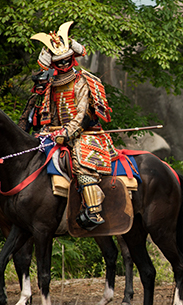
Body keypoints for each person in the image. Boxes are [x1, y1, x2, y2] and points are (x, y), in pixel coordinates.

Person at [30, 21, 116, 231]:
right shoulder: (49, 85)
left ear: (72, 57)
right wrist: (45, 131)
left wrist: (67, 133)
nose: (63, 63)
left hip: (85, 133)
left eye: (66, 59)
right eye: (58, 61)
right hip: (54, 134)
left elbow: (82, 113)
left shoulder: (83, 81)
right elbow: (45, 114)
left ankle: (94, 211)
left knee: (81, 161)